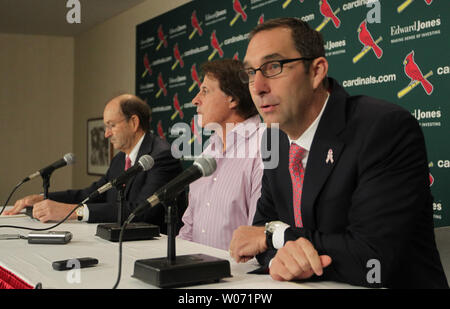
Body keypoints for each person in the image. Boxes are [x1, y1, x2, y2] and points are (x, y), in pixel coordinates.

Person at [229, 18, 448, 288]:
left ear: (317, 71)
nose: (258, 86)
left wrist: (276, 237)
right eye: (251, 72)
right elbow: (261, 232)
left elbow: (373, 259)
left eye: (273, 67)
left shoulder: (384, 128)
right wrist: (279, 258)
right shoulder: (274, 139)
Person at [5, 94, 186, 233]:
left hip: (154, 250)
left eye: (111, 125)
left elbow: (142, 212)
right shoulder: (119, 159)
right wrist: (44, 197)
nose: (106, 134)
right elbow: (91, 193)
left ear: (134, 122)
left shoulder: (162, 156)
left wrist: (75, 212)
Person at [177, 59, 264, 251]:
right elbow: (189, 227)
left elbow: (258, 235)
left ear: (232, 99)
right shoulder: (208, 151)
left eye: (205, 91)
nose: (195, 99)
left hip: (240, 277)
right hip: (197, 271)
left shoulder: (264, 148)